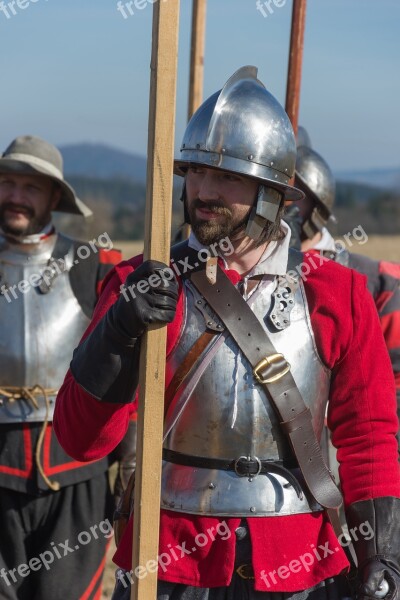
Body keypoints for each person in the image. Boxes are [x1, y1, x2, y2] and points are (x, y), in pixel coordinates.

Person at [54, 67, 400, 600]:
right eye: (195, 172)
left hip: (296, 558)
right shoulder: (139, 283)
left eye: (228, 177)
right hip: (168, 557)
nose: (204, 191)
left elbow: (368, 438)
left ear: (274, 193)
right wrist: (119, 333)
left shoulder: (338, 293)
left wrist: (382, 551)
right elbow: (80, 440)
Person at [0, 135, 123, 600]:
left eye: (30, 188)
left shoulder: (93, 267)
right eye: (7, 183)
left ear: (54, 196)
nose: (15, 196)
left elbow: (120, 376)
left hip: (75, 466)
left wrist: (127, 464)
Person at [292, 142, 400, 451]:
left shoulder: (367, 277)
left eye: (295, 196)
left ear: (317, 203)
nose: (283, 205)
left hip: (337, 443)